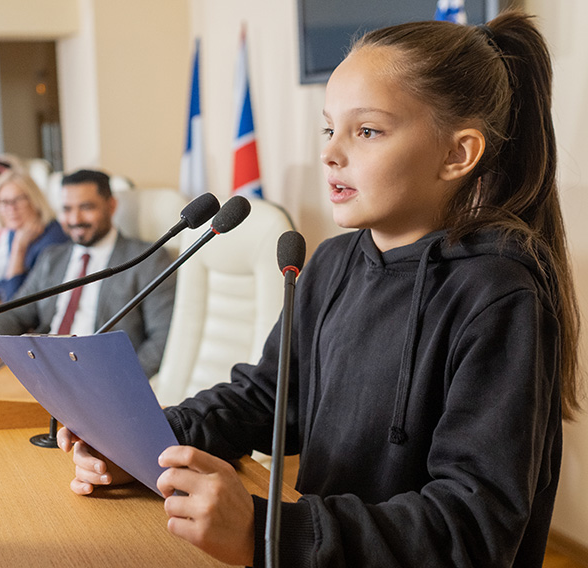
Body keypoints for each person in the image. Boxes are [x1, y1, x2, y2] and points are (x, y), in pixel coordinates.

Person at [58, 11, 581, 567]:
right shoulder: (332, 263)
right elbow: (265, 400)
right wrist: (143, 442)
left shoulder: (498, 294)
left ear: (458, 153)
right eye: (329, 128)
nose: (332, 152)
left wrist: (268, 531)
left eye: (368, 130)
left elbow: (471, 529)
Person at [0, 169, 175, 379]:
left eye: (86, 208)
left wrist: (125, 381)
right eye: (67, 209)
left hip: (101, 374)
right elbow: (15, 312)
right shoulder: (52, 257)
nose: (75, 219)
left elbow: (163, 336)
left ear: (111, 206)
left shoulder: (147, 259)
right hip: (44, 370)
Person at [0, 168, 69, 301]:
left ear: (34, 200)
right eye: (4, 202)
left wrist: (18, 250)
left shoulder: (53, 240)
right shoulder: (16, 231)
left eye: (18, 200)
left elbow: (15, 301)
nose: (11, 208)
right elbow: (5, 283)